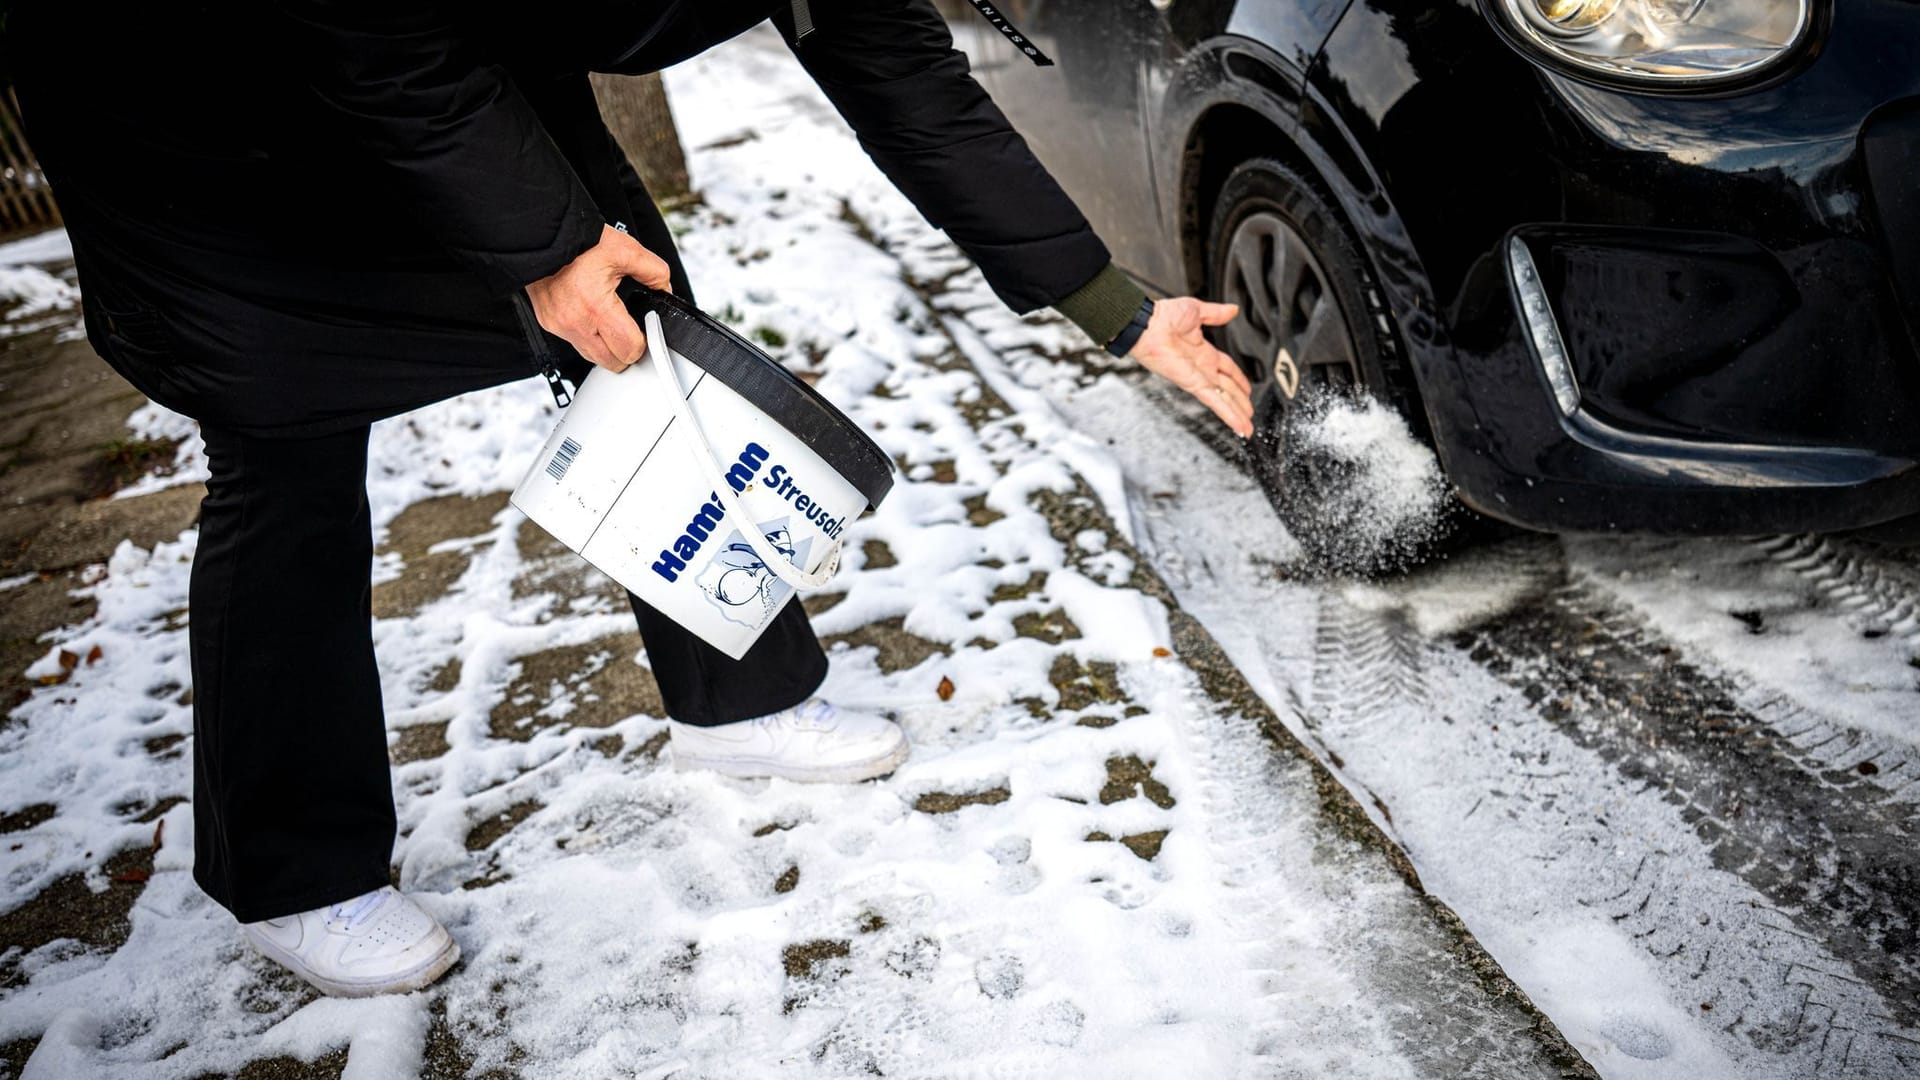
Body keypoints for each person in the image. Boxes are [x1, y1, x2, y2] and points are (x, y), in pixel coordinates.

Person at [4, 0, 1253, 998]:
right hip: (197, 86)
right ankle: (292, 868)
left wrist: (1111, 305)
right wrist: (543, 245)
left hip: (456, 58)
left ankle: (740, 693)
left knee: (642, 322)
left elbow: (913, 91)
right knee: (283, 437)